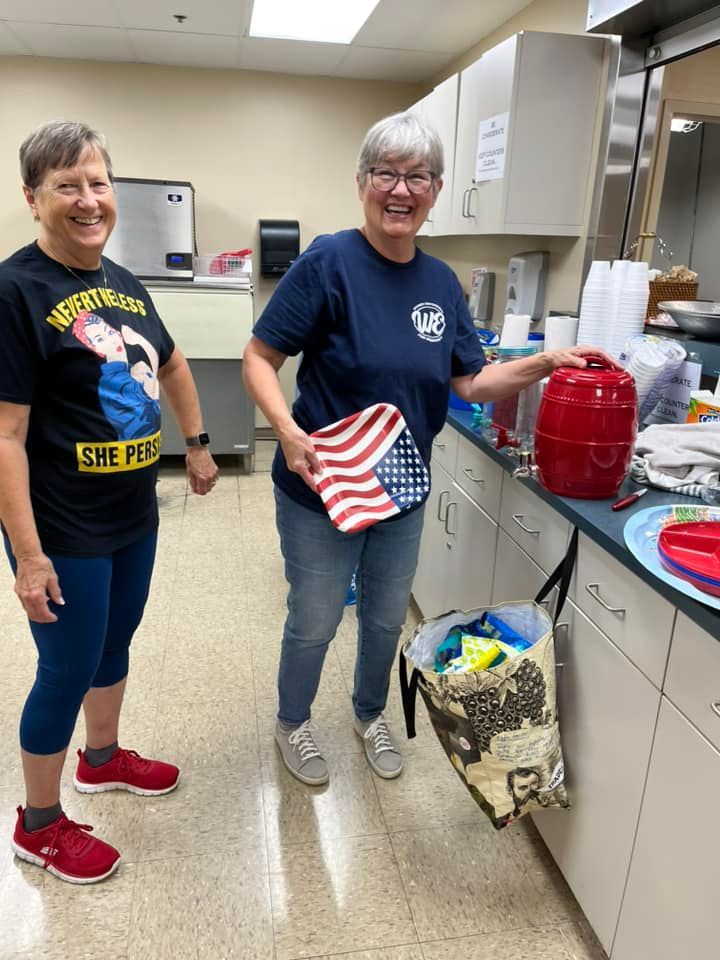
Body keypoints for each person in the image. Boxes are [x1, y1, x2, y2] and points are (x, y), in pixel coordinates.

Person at [242, 111, 617, 787]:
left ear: (437, 190)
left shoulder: (441, 283)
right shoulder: (327, 263)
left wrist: (546, 362)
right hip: (320, 480)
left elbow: (470, 380)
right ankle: (292, 721)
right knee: (316, 618)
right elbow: (260, 356)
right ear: (361, 182)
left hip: (401, 486)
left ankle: (369, 712)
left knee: (386, 617)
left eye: (417, 176)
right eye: (386, 172)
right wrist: (288, 432)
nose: (400, 188)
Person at [0, 120, 218, 884]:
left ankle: (100, 760)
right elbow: (4, 436)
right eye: (68, 186)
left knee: (114, 642)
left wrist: (194, 442)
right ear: (33, 198)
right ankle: (39, 824)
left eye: (97, 184)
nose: (88, 200)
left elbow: (174, 360)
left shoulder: (119, 281)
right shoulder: (15, 289)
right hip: (64, 526)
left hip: (132, 514)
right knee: (65, 667)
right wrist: (28, 556)